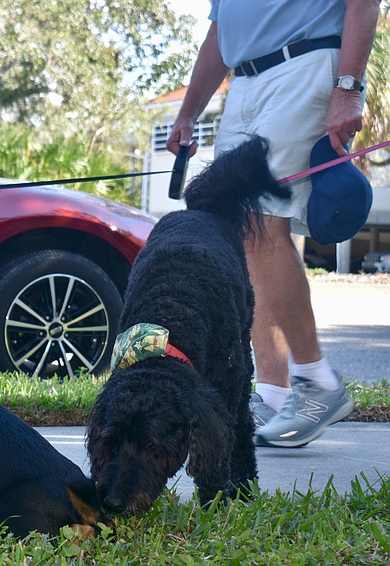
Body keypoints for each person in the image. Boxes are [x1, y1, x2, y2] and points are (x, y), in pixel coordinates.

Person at [166, 0, 381, 448]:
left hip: (302, 67)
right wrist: (188, 112)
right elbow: (219, 35)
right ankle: (273, 390)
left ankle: (317, 382)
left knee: (260, 224)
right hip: (243, 85)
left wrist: (348, 87)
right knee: (239, 234)